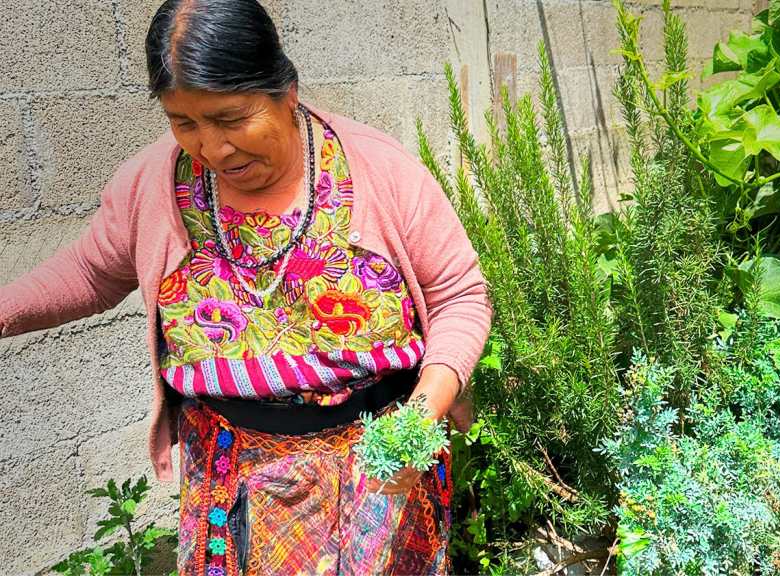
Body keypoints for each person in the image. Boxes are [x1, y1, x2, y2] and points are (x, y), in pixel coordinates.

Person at [0, 0, 491, 574]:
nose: (212, 148)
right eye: (185, 123)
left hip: (380, 469)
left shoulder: (381, 171)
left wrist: (419, 420)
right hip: (227, 479)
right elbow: (90, 273)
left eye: (231, 119)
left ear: (286, 91)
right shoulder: (153, 185)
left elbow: (459, 296)